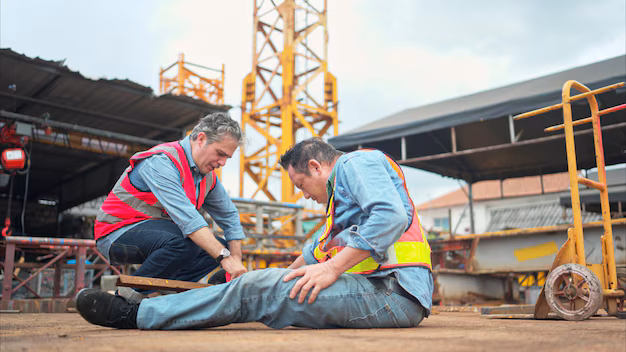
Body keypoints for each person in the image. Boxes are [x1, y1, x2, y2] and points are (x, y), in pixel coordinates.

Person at [76, 138, 434, 329]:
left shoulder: (356, 163)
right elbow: (311, 255)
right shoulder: (340, 213)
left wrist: (331, 270)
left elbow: (391, 216)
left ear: (316, 166)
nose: (303, 195)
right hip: (382, 292)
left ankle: (136, 316)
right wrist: (278, 273)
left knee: (256, 291)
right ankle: (156, 305)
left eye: (301, 183)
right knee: (265, 283)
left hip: (391, 294)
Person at [93, 112, 248, 301]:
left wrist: (236, 258)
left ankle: (168, 295)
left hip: (159, 236)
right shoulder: (162, 162)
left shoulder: (207, 179)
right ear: (201, 139)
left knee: (219, 246)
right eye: (220, 154)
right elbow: (189, 221)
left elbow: (230, 216)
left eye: (227, 158)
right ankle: (126, 298)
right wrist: (225, 258)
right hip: (116, 233)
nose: (222, 163)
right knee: (191, 243)